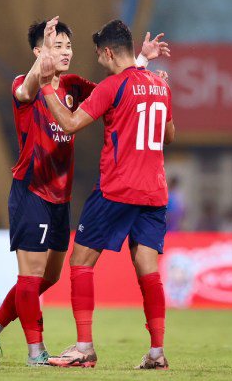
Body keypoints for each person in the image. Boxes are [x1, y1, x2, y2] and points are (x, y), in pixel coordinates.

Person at [0, 17, 169, 367]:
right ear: (37, 51)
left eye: (67, 46)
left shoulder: (76, 85)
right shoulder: (24, 83)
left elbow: (122, 90)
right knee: (31, 275)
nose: (65, 51)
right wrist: (41, 66)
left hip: (61, 197)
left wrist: (142, 63)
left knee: (50, 276)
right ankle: (36, 352)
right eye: (55, 45)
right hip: (32, 189)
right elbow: (28, 89)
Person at [38, 19, 175, 370]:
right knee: (148, 270)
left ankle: (84, 346)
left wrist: (47, 89)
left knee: (80, 262)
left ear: (109, 52)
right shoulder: (161, 85)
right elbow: (167, 136)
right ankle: (157, 353)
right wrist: (144, 63)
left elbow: (69, 125)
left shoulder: (111, 86)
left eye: (99, 53)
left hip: (116, 189)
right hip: (155, 192)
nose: (97, 59)